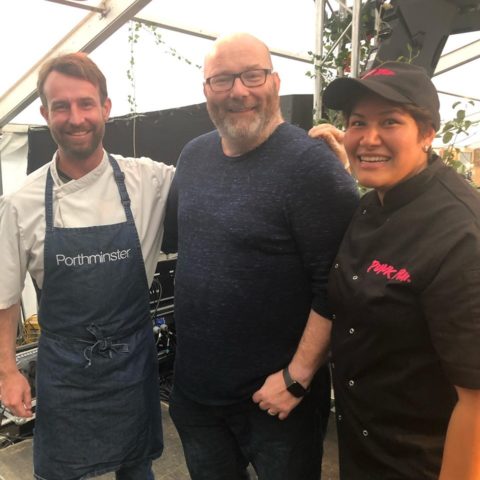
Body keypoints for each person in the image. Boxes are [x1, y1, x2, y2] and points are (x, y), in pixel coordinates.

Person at [162, 32, 359, 480]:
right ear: (206, 91)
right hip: (196, 395)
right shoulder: (192, 157)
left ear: (274, 81)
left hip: (276, 403)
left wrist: (297, 377)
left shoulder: (313, 167)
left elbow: (337, 285)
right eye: (222, 79)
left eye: (252, 75)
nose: (239, 91)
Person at [0, 53, 175, 480]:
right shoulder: (21, 203)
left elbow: (221, 175)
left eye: (85, 103)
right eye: (61, 106)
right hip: (65, 371)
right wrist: (7, 371)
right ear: (45, 114)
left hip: (132, 362)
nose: (75, 117)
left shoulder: (149, 180)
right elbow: (4, 296)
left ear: (106, 108)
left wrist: (306, 153)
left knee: (136, 469)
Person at [309, 61, 480, 479]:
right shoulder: (371, 204)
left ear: (427, 133)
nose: (368, 138)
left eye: (390, 121)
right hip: (364, 451)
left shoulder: (461, 233)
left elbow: (476, 401)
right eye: (357, 122)